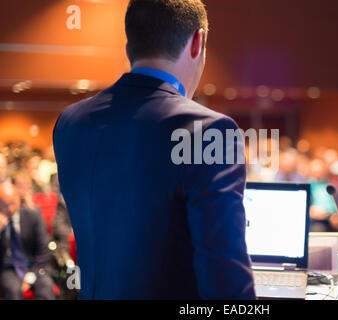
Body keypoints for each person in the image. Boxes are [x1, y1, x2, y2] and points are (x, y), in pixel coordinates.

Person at [53, 0, 255, 299]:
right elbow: (225, 276)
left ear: (128, 46)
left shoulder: (70, 122)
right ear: (198, 41)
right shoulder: (208, 130)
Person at [0, 182, 54, 300]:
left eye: (12, 203)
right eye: (4, 204)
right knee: (13, 290)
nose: (9, 208)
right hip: (9, 268)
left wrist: (30, 277)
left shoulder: (33, 215)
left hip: (34, 266)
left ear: (18, 200)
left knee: (46, 286)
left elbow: (44, 251)